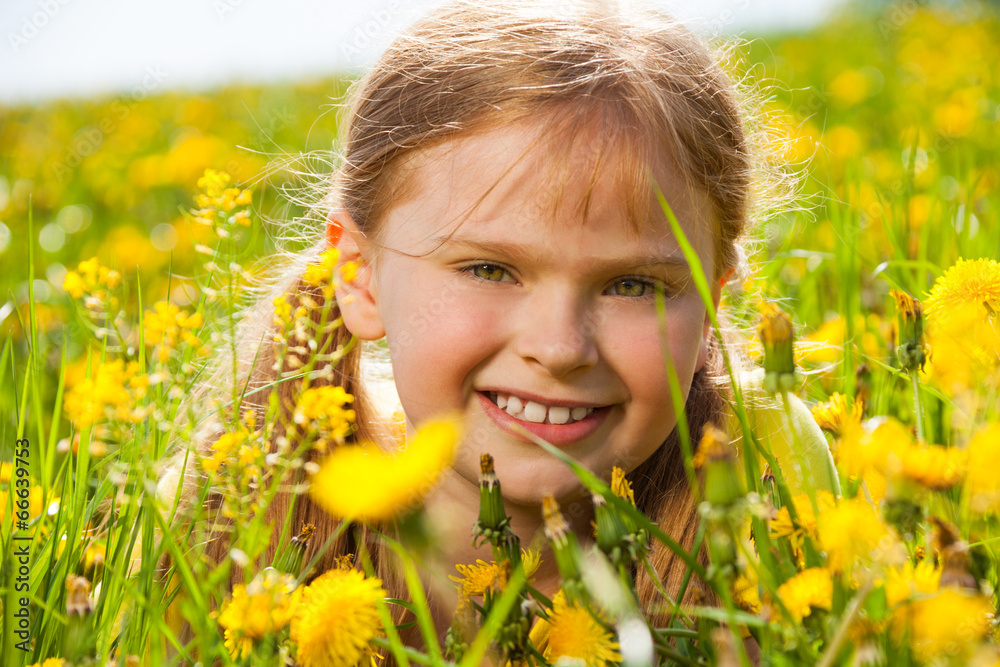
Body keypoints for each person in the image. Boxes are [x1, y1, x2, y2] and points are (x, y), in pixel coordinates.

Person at [159, 0, 837, 652]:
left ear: (714, 302)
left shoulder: (762, 466)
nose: (559, 347)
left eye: (633, 285)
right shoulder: (219, 511)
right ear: (359, 276)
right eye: (489, 270)